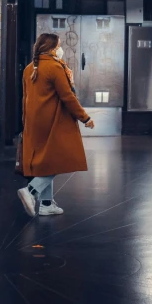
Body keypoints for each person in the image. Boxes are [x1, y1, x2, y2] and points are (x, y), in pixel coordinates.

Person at [17, 32, 95, 218]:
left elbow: (25, 98)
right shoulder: (54, 67)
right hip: (53, 120)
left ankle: (45, 204)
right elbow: (68, 96)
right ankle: (31, 191)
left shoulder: (29, 69)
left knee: (46, 162)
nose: (60, 49)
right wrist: (84, 117)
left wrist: (24, 121)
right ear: (52, 48)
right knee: (58, 159)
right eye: (59, 45)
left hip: (34, 122)